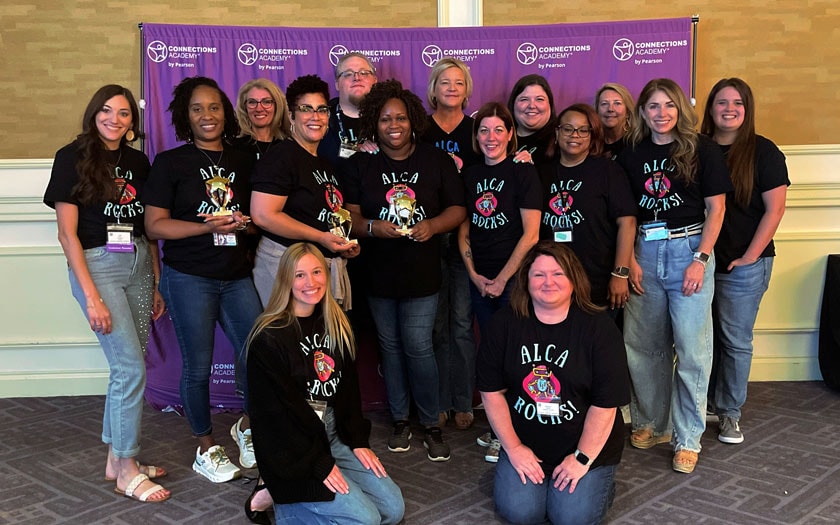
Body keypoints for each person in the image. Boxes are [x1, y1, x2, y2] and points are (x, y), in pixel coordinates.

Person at [43, 85, 170, 503]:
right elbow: (67, 234)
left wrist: (154, 278)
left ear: (133, 121)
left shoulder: (138, 161)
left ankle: (116, 459)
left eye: (124, 113)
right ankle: (127, 469)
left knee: (127, 368)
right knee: (130, 369)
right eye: (107, 110)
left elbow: (146, 226)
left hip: (138, 262)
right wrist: (91, 295)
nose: (115, 119)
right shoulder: (72, 157)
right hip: (98, 266)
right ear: (94, 113)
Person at [144, 76, 263, 483]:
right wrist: (206, 226)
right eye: (197, 109)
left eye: (214, 107)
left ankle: (246, 427)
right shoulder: (170, 163)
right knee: (198, 367)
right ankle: (205, 448)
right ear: (186, 116)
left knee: (257, 353)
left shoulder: (244, 160)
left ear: (225, 113)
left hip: (236, 276)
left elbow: (255, 221)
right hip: (188, 277)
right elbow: (155, 226)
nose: (207, 115)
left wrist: (242, 224)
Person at [343, 79, 466, 462]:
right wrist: (371, 227)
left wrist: (434, 225)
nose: (393, 125)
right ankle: (400, 420)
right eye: (384, 119)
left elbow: (458, 209)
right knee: (391, 348)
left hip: (422, 274)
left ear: (413, 120)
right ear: (373, 123)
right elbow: (350, 215)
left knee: (418, 346)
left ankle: (430, 422)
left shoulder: (435, 160)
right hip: (377, 274)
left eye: (400, 118)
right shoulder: (361, 163)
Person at [616, 78, 732, 474]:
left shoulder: (703, 149)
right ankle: (652, 422)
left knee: (692, 350)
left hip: (689, 249)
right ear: (642, 112)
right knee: (644, 345)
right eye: (653, 106)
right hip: (644, 252)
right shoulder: (630, 153)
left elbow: (716, 210)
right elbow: (626, 214)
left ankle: (688, 437)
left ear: (680, 108)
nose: (661, 113)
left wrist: (701, 258)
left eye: (669, 105)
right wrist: (630, 260)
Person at [245, 242, 404, 525]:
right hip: (292, 446)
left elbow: (348, 391)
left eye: (317, 272)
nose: (311, 282)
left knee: (393, 510)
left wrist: (358, 441)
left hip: (333, 435)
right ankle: (282, 500)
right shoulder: (268, 338)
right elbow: (274, 420)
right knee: (366, 520)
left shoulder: (336, 323)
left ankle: (274, 491)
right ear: (286, 280)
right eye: (300, 275)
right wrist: (317, 464)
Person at [477, 241, 630, 525]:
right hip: (526, 443)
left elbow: (606, 404)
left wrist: (581, 459)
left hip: (584, 446)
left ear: (574, 279)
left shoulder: (600, 328)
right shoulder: (504, 324)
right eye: (539, 275)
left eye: (558, 274)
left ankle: (599, 482)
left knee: (571, 518)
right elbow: (491, 392)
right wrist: (514, 449)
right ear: (526, 280)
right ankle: (520, 474)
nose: (548, 282)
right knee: (522, 513)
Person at [701, 78, 789, 445]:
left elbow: (775, 209)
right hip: (701, 263)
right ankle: (707, 401)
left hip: (744, 263)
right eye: (722, 102)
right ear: (711, 108)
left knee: (735, 341)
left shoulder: (763, 152)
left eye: (737, 103)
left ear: (747, 109)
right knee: (705, 339)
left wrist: (749, 257)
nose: (730, 109)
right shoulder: (698, 148)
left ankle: (730, 413)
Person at [460, 102, 542, 463]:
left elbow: (531, 235)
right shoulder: (471, 174)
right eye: (483, 130)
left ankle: (512, 434)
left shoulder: (523, 172)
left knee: (516, 354)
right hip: (481, 280)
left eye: (498, 130)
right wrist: (474, 274)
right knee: (492, 354)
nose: (490, 137)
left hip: (514, 282)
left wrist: (502, 280)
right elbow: (464, 227)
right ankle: (497, 429)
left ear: (510, 134)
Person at [250, 74, 359, 308]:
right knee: (288, 331)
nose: (315, 117)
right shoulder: (281, 157)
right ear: (291, 116)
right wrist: (321, 237)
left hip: (319, 269)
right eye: (306, 109)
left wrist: (341, 244)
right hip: (285, 267)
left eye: (322, 110)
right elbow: (263, 215)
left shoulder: (325, 164)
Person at [421, 57, 481, 432]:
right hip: (427, 236)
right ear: (434, 89)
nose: (452, 88)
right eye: (445, 82)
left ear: (466, 89)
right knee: (436, 327)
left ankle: (463, 400)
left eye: (459, 82)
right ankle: (440, 400)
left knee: (460, 324)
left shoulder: (476, 130)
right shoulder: (420, 130)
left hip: (467, 234)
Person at [538, 103, 636, 313]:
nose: (575, 135)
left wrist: (620, 273)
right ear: (557, 133)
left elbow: (627, 222)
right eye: (568, 129)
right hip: (551, 280)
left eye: (583, 130)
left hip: (598, 279)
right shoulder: (541, 173)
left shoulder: (607, 171)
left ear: (593, 136)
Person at [318, 52, 378, 167]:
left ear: (375, 80)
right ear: (337, 84)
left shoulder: (388, 116)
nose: (357, 78)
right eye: (348, 74)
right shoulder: (320, 117)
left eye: (364, 73)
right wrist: (357, 148)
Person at [232, 78, 291, 161]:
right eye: (252, 102)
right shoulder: (233, 147)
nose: (259, 109)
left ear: (277, 106)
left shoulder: (289, 148)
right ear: (244, 107)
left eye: (266, 102)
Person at [507, 74, 557, 166]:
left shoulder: (561, 139)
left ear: (550, 104)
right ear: (513, 104)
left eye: (539, 99)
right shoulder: (499, 138)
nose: (532, 106)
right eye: (524, 99)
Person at [595, 83, 635, 160]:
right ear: (597, 111)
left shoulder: (637, 143)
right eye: (604, 104)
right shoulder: (591, 144)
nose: (610, 109)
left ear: (627, 112)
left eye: (617, 103)